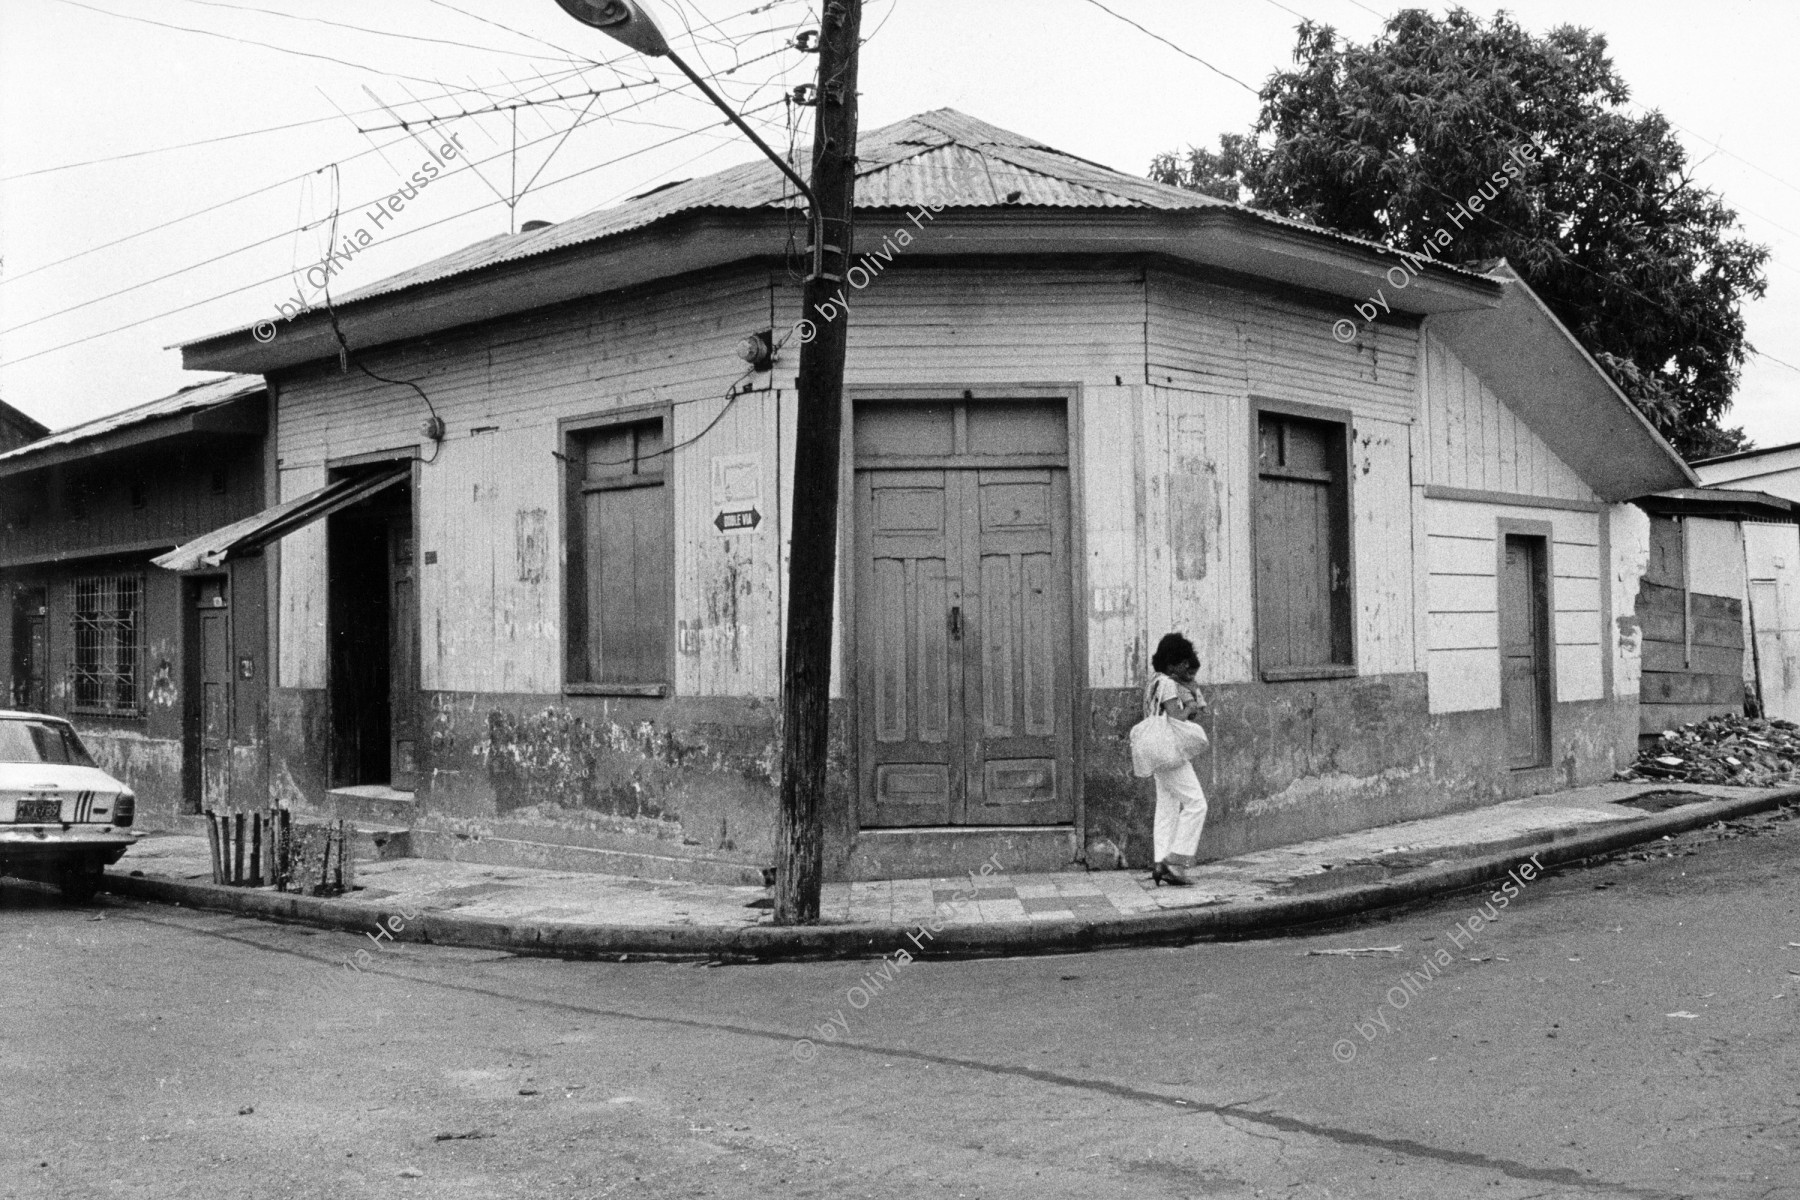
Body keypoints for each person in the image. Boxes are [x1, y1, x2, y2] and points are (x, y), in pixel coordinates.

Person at [1143, 632, 1208, 886]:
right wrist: (1191, 708)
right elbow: (1175, 718)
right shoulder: (1169, 685)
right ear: (1171, 663)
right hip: (1170, 752)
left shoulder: (1153, 683)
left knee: (1167, 808)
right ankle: (1176, 862)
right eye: (1181, 663)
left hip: (1155, 752)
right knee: (1197, 803)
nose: (1184, 667)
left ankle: (1160, 861)